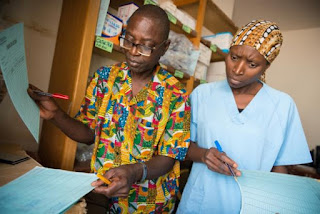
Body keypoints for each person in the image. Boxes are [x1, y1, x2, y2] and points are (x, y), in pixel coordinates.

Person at [28, 5, 190, 213]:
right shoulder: (105, 78)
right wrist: (56, 115)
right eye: (129, 40)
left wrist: (133, 172)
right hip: (102, 195)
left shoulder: (176, 94)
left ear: (164, 48)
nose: (133, 51)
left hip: (148, 204)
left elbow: (169, 157)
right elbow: (88, 133)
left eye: (146, 47)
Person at [177, 20, 312, 213]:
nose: (238, 70)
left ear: (266, 66)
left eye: (252, 64)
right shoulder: (202, 94)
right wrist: (205, 155)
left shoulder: (282, 105)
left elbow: (281, 168)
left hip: (250, 206)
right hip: (201, 201)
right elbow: (181, 146)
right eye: (234, 57)